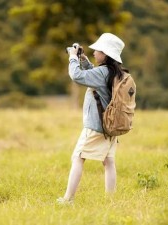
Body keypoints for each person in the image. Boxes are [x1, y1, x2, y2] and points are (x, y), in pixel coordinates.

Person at [57, 33, 126, 204]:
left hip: (96, 126)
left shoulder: (102, 72)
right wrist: (86, 62)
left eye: (98, 50)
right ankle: (110, 201)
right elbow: (95, 77)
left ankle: (68, 199)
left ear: (106, 54)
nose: (94, 52)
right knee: (109, 161)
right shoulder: (116, 72)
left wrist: (73, 58)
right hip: (111, 126)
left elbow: (77, 76)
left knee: (78, 157)